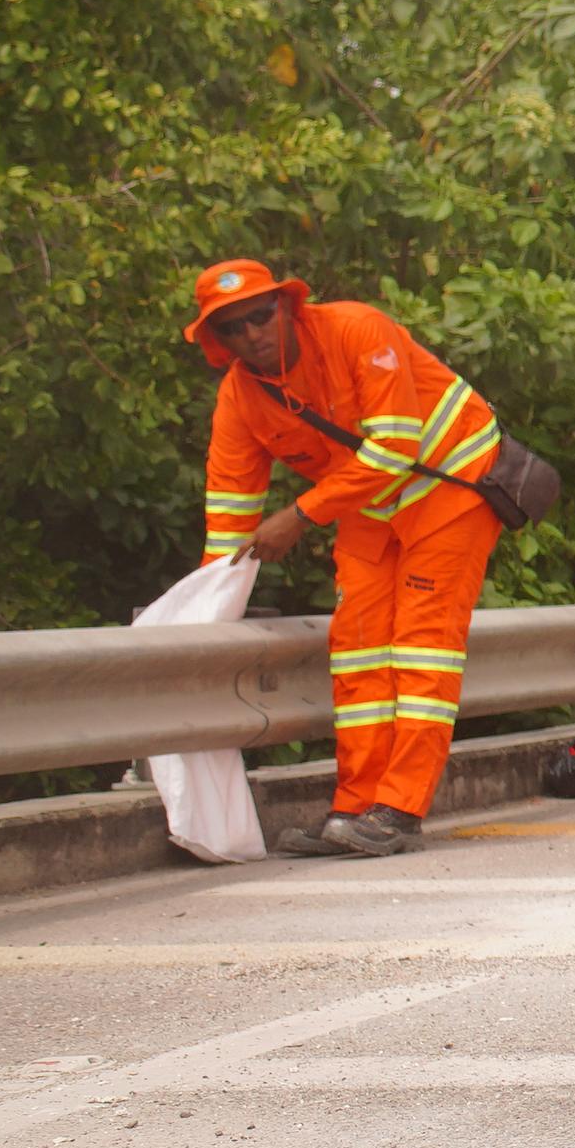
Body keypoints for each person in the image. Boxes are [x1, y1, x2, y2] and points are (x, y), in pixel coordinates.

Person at [185, 258, 508, 860]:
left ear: (287, 307)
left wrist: (300, 516)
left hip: (451, 484)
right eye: (233, 327)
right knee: (356, 648)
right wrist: (210, 604)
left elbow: (394, 447)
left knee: (421, 646)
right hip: (367, 501)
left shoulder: (358, 329)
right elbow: (229, 511)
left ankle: (400, 809)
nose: (253, 333)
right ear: (216, 340)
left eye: (260, 315)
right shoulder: (240, 397)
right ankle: (354, 808)